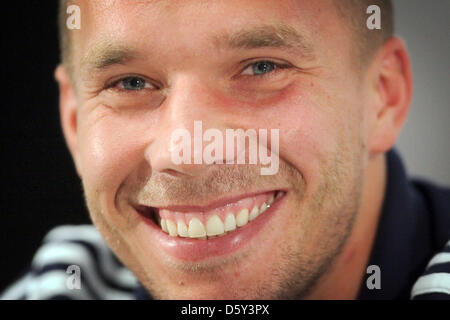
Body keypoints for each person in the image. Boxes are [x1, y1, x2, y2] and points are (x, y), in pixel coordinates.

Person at [2, 0, 449, 300]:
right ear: (75, 122)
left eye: (261, 67)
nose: (186, 153)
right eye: (130, 83)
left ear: (383, 97)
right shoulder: (65, 285)